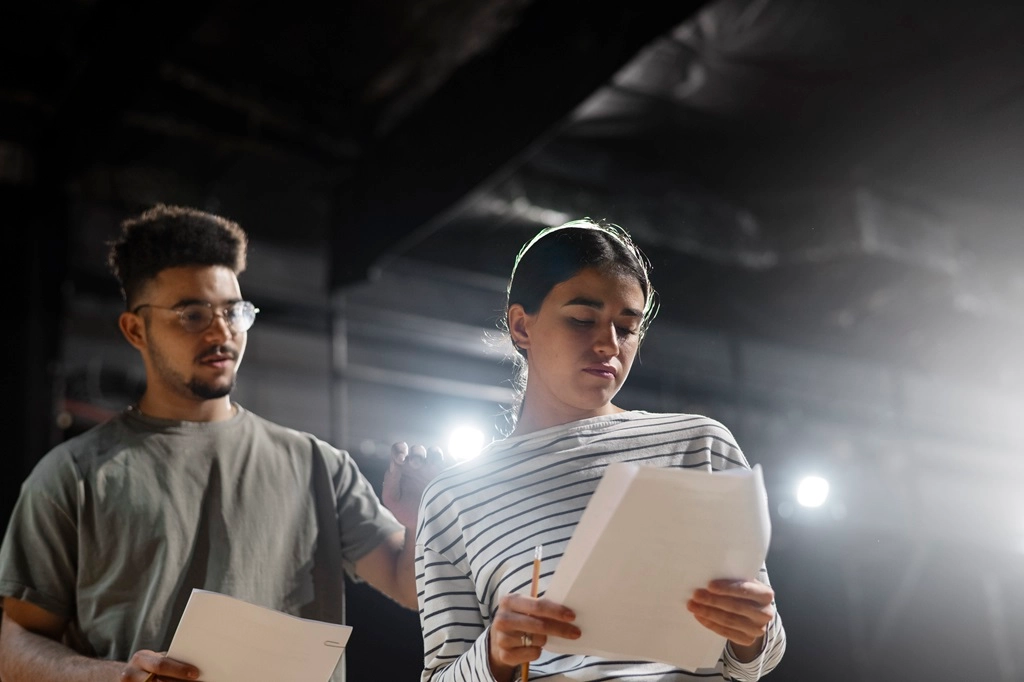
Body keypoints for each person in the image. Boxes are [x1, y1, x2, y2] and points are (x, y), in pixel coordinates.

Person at [0, 204, 442, 682]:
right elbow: (14, 646)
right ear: (135, 329)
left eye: (233, 311)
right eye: (192, 314)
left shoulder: (318, 465)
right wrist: (115, 677)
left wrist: (418, 521)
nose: (222, 331)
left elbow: (410, 585)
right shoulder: (73, 475)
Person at [415, 219, 786, 682]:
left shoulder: (700, 444)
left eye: (627, 327)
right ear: (521, 326)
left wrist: (751, 628)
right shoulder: (454, 496)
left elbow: (759, 654)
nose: (609, 344)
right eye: (581, 320)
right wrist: (494, 655)